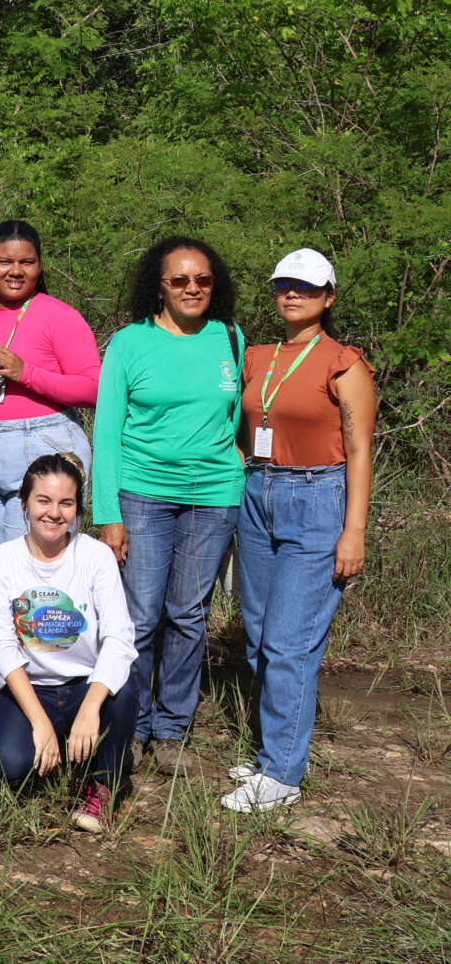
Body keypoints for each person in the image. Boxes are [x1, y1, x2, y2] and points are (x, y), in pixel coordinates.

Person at [227, 248, 377, 813]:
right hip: (258, 493)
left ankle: (283, 776)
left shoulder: (344, 362)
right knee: (262, 634)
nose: (294, 295)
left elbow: (360, 449)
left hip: (318, 498)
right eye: (285, 285)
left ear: (328, 297)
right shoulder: (257, 356)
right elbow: (244, 427)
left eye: (307, 288)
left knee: (291, 640)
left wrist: (353, 530)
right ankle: (275, 750)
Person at [92, 235, 246, 773]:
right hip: (143, 494)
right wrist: (107, 513)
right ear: (158, 287)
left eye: (202, 280)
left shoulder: (230, 337)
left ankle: (173, 728)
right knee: (139, 616)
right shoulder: (129, 344)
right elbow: (106, 432)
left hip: (214, 496)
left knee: (189, 616)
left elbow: (239, 422)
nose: (192, 289)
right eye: (179, 280)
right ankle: (130, 724)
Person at [0, 454, 137, 833]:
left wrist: (91, 707)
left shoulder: (96, 556)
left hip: (85, 685)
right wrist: (39, 721)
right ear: (24, 503)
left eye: (66, 503)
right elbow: (2, 646)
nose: (54, 513)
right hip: (31, 688)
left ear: (78, 509)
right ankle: (58, 742)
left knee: (127, 687)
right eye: (43, 501)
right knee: (11, 765)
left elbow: (119, 636)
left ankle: (101, 782)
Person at [0, 221, 101, 558]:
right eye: (5, 262)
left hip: (44, 443)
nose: (16, 271)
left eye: (27, 262)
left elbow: (94, 389)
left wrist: (25, 373)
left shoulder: (59, 316)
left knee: (32, 567)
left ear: (39, 266)